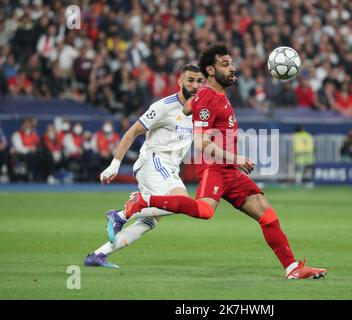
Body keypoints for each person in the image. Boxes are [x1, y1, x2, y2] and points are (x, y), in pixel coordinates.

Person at [120, 44, 327, 280]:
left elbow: (188, 108)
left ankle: (292, 269)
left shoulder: (212, 95)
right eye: (225, 64)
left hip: (230, 172)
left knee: (265, 212)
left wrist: (193, 104)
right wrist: (235, 158)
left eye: (231, 63)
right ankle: (142, 200)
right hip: (214, 167)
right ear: (210, 69)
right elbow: (201, 142)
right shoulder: (209, 96)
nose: (232, 68)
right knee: (205, 211)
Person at [84, 64, 204, 268]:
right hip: (154, 161)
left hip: (169, 168)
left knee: (151, 221)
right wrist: (114, 165)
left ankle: (98, 255)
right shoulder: (164, 106)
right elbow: (132, 132)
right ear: (180, 81)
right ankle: (122, 214)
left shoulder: (198, 110)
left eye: (199, 81)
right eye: (190, 80)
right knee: (182, 203)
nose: (195, 85)